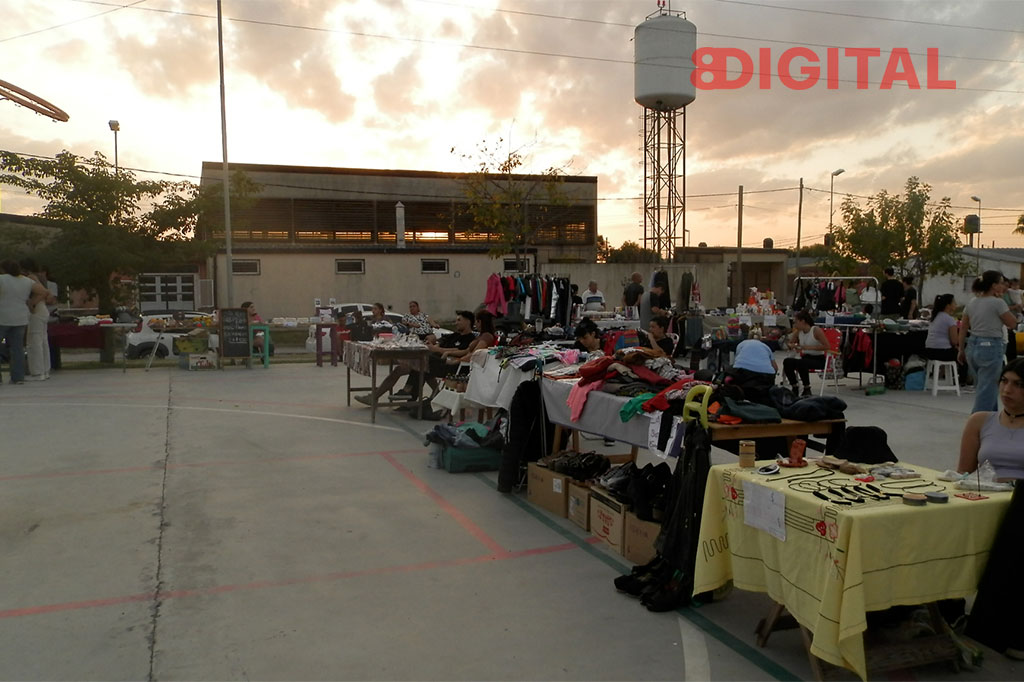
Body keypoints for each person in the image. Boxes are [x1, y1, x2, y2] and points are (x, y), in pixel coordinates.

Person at [957, 358, 1024, 660]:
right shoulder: (980, 421)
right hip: (984, 501)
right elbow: (962, 476)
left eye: (1019, 385)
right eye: (1005, 381)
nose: (1008, 390)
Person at [356, 310, 476, 405]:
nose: (456, 323)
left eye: (459, 320)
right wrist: (432, 342)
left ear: (468, 322)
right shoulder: (453, 335)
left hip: (450, 366)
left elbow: (462, 351)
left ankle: (408, 393)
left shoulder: (470, 338)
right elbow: (439, 342)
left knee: (420, 364)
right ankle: (378, 396)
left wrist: (438, 350)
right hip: (434, 362)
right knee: (403, 368)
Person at [958, 271, 1016, 413]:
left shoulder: (972, 302)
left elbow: (964, 326)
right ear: (994, 286)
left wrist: (961, 349)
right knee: (987, 389)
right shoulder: (998, 303)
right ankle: (978, 423)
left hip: (973, 345)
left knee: (984, 386)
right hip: (990, 346)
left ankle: (992, 420)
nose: (1004, 286)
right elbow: (1012, 323)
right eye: (1001, 283)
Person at [0, 259, 49, 385]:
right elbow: (44, 292)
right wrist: (31, 303)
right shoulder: (26, 280)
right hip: (21, 318)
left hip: (3, 317)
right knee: (17, 348)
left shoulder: (2, 279)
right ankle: (18, 377)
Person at [20, 258, 56, 381]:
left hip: (37, 311)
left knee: (34, 342)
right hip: (43, 310)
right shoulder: (40, 276)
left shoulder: (31, 278)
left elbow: (44, 293)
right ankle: (45, 370)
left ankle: (37, 372)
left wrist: (32, 303)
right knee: (42, 341)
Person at [782, 310, 830, 396]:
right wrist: (792, 345)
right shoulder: (798, 332)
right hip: (805, 357)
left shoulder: (815, 330)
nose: (795, 325)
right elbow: (790, 343)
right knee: (787, 361)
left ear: (803, 321)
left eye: (796, 322)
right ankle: (794, 386)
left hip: (818, 359)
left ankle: (807, 387)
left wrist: (808, 347)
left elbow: (827, 346)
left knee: (801, 362)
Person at [726, 338, 779, 405]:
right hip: (766, 376)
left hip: (744, 373)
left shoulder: (741, 344)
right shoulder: (766, 347)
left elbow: (737, 362)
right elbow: (775, 368)